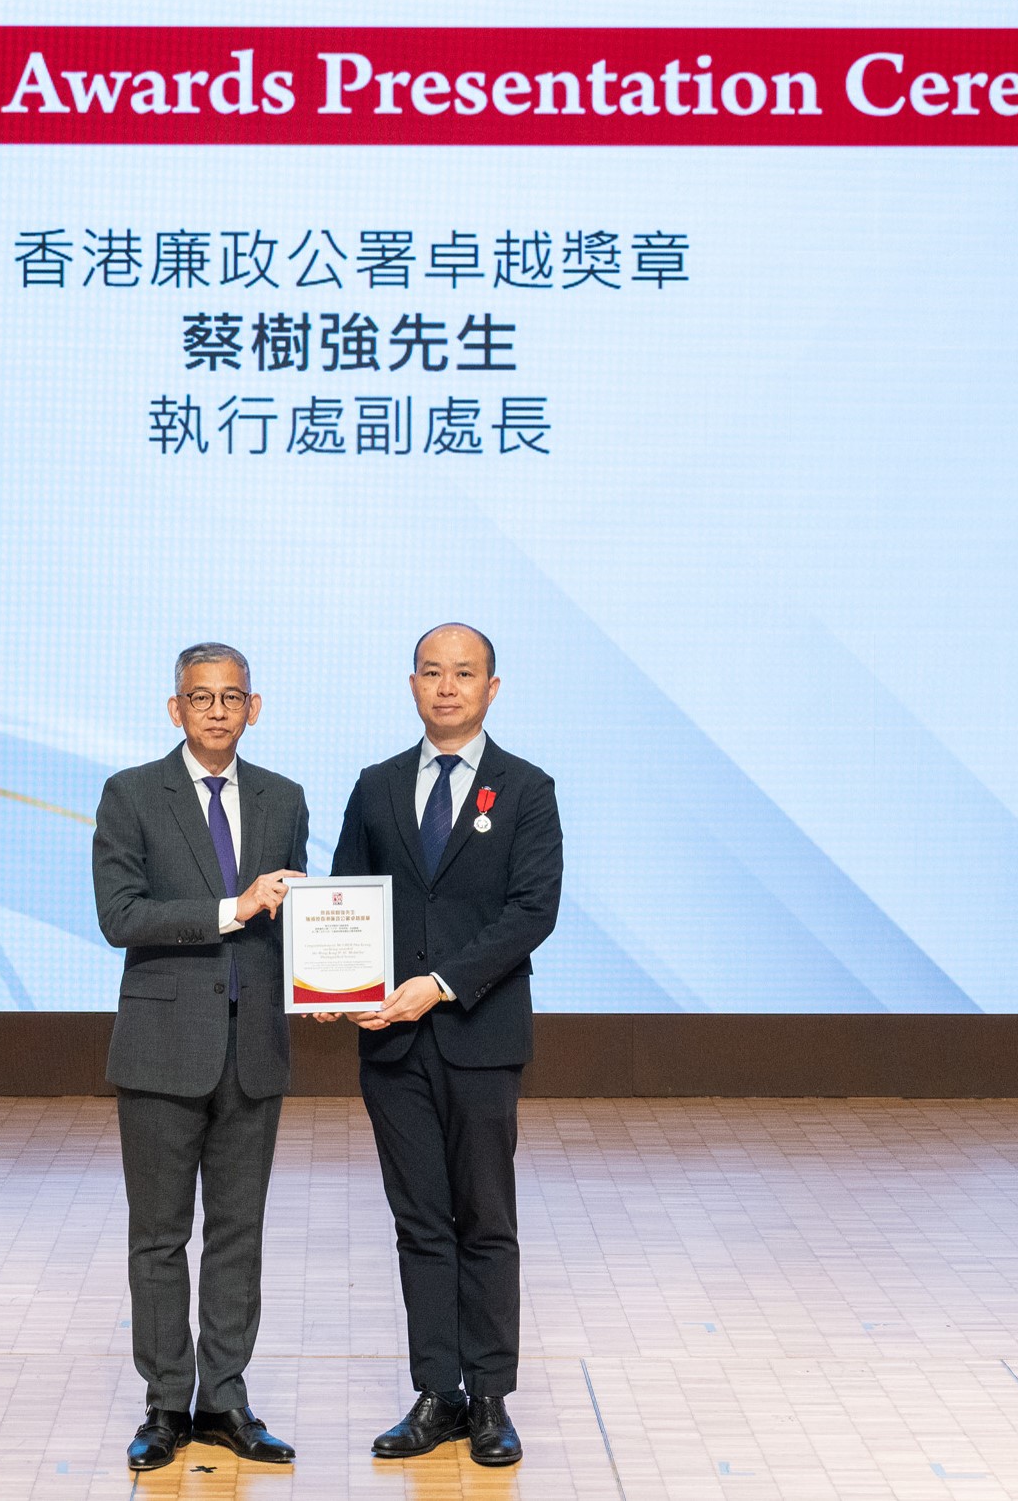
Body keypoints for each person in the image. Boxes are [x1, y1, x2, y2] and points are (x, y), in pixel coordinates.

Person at [327, 622, 563, 1467]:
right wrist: (336, 988)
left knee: (486, 1218)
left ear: (492, 688)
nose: (448, 686)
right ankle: (437, 1391)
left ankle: (491, 1396)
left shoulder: (526, 788)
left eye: (465, 673)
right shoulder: (377, 785)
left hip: (480, 1036)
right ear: (413, 684)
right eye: (433, 671)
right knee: (419, 1220)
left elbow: (532, 911)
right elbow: (346, 897)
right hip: (392, 1046)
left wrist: (440, 982)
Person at [91, 642, 311, 1472]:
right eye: (200, 696)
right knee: (158, 1235)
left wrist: (337, 975)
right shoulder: (130, 793)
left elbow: (293, 920)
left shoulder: (284, 797)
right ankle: (164, 1402)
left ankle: (224, 1399)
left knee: (237, 1233)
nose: (217, 709)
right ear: (174, 707)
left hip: (254, 1047)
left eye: (231, 696)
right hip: (161, 1049)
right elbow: (120, 914)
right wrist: (231, 908)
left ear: (255, 707)